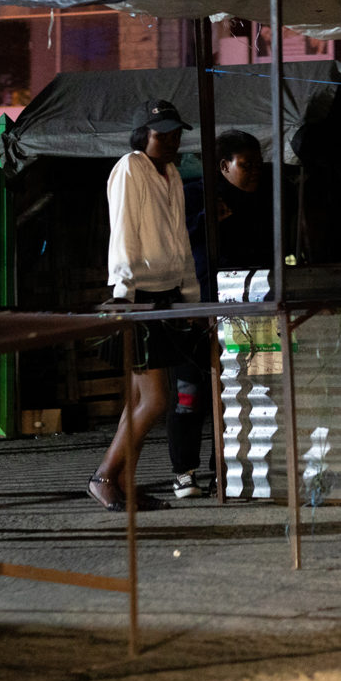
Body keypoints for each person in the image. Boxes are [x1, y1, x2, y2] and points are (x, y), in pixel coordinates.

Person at [87, 99, 201, 513]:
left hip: (166, 293)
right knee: (154, 400)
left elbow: (181, 241)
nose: (171, 140)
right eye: (162, 133)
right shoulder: (130, 167)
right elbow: (123, 235)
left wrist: (190, 295)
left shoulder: (170, 173)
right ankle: (103, 477)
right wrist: (124, 295)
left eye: (175, 133)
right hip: (139, 296)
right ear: (143, 134)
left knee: (139, 401)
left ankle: (121, 482)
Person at [174, 130, 272, 498]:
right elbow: (178, 244)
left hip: (254, 305)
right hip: (199, 307)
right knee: (190, 393)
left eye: (258, 164)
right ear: (223, 165)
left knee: (249, 390)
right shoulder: (195, 196)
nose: (254, 172)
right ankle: (184, 471)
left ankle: (229, 470)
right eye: (246, 165)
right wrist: (205, 220)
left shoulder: (264, 199)